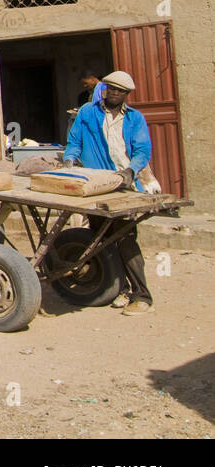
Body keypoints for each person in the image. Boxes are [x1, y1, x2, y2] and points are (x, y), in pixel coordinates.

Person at [62, 70, 155, 314]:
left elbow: (143, 150)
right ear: (105, 90)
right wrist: (70, 160)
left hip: (124, 185)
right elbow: (74, 142)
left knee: (125, 239)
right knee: (100, 239)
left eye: (120, 91)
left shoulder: (135, 119)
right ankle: (120, 290)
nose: (114, 93)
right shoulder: (87, 113)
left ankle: (142, 296)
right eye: (111, 89)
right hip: (96, 185)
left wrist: (131, 171)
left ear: (126, 94)